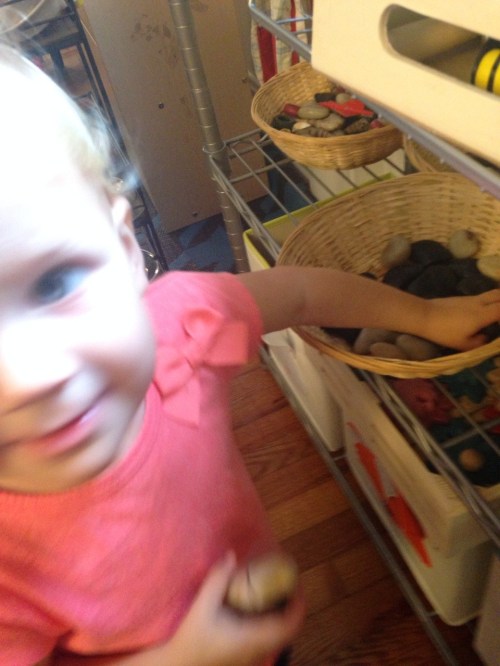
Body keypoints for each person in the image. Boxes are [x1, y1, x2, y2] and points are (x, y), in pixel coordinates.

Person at [1, 43, 500, 666]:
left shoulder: (178, 330)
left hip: (262, 622)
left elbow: (300, 293)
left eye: (54, 284)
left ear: (126, 250)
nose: (28, 378)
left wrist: (426, 317)